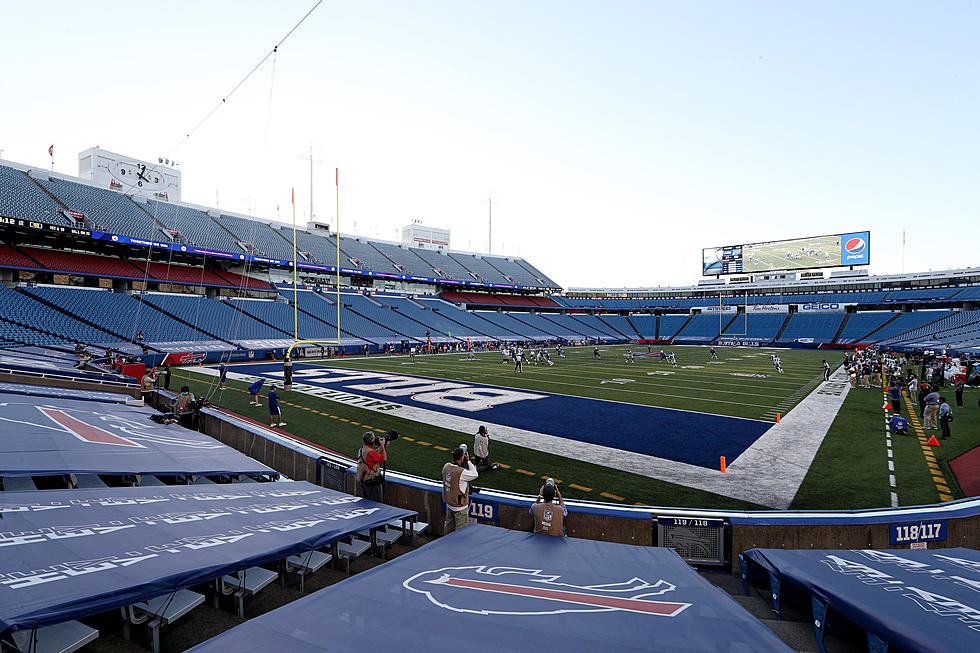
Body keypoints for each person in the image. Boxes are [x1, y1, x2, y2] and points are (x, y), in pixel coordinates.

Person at [442, 446, 478, 534]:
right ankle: (457, 547)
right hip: (459, 506)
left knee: (448, 525)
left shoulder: (446, 466)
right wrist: (468, 461)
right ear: (462, 457)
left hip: (449, 502)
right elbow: (475, 474)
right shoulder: (461, 472)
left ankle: (445, 543)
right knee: (460, 531)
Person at [357, 431, 387, 503]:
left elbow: (373, 454)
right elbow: (384, 458)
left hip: (364, 480)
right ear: (372, 440)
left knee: (367, 502)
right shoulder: (371, 452)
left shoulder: (361, 450)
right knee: (376, 504)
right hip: (372, 482)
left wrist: (382, 447)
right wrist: (383, 446)